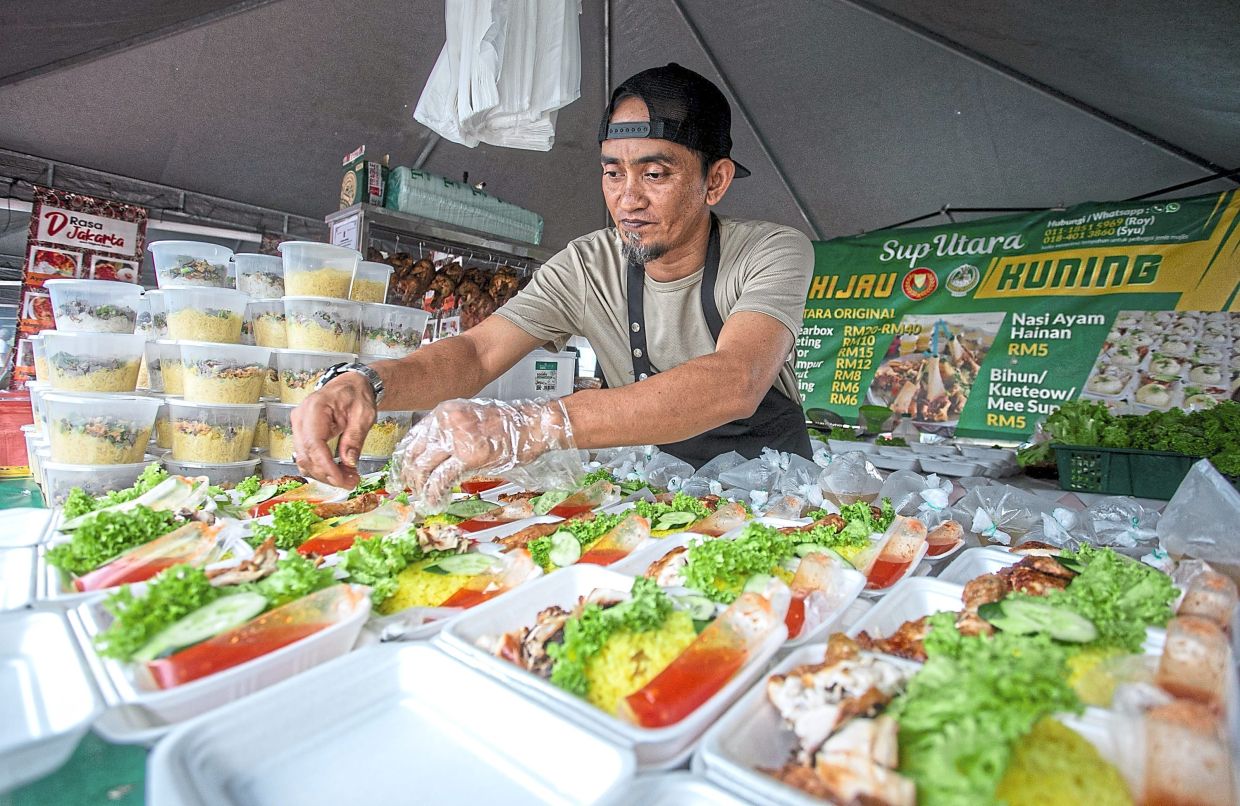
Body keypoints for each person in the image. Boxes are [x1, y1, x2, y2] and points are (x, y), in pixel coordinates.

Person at [292, 63, 814, 503]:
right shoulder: (586, 264)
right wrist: (365, 382)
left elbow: (735, 380)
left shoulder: (771, 251)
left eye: (655, 175)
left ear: (715, 181)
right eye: (613, 173)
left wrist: (536, 424)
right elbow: (477, 353)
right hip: (663, 494)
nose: (628, 199)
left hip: (775, 492)